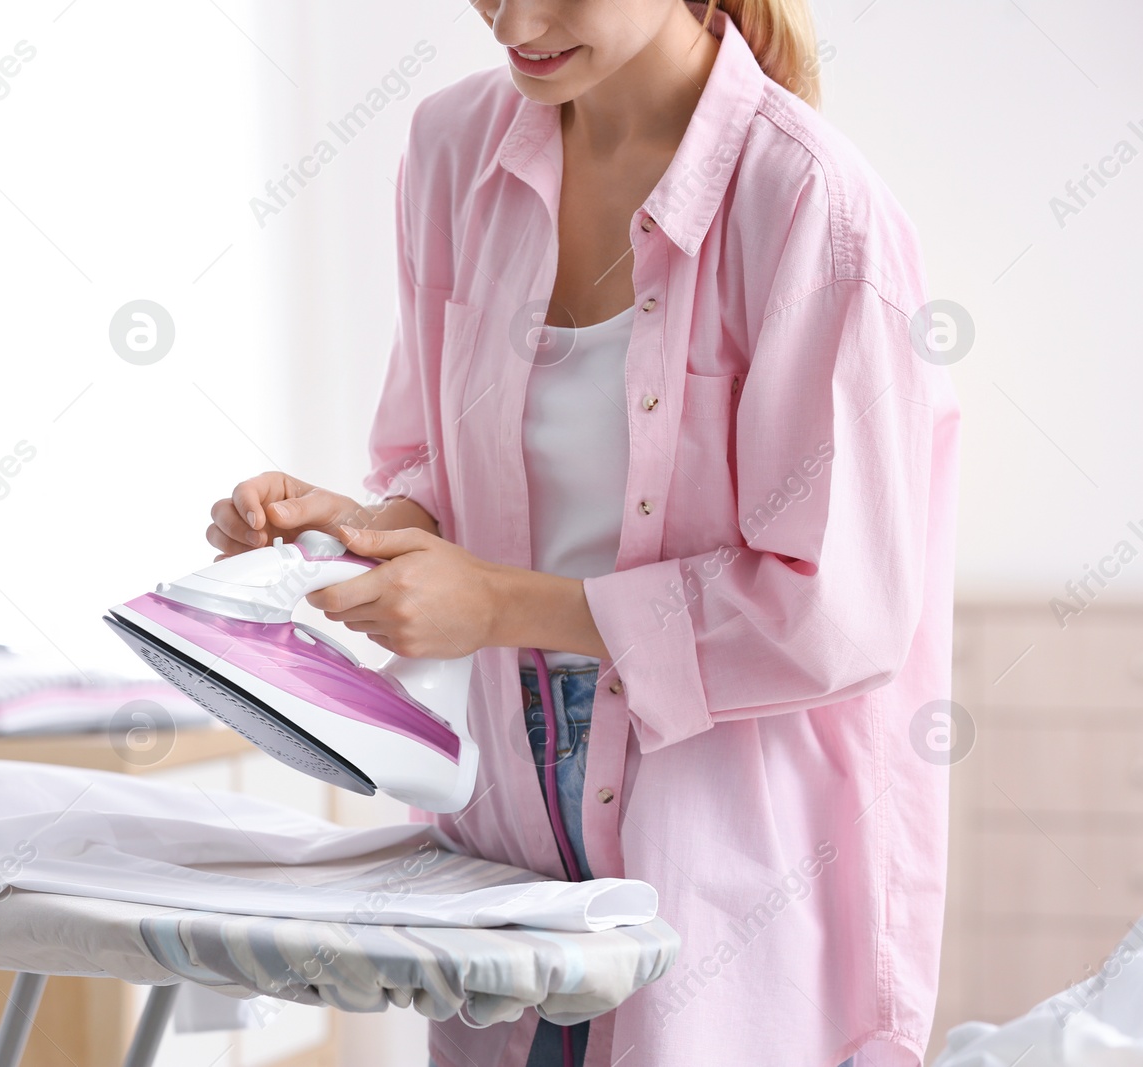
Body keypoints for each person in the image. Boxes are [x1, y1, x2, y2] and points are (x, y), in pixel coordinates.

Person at [207, 1, 960, 1064]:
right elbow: (432, 457)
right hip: (503, 792)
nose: (513, 19)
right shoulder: (450, 151)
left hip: (726, 836)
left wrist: (496, 602)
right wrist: (369, 531)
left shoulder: (810, 206)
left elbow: (837, 612)